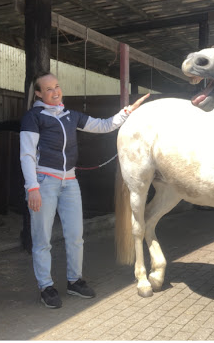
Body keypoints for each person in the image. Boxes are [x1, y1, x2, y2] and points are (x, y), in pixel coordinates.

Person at [20, 71, 149, 309]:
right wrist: (32, 188)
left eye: (57, 86)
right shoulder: (33, 117)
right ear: (38, 93)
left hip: (70, 181)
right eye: (48, 89)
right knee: (42, 239)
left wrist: (127, 112)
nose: (55, 91)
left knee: (76, 236)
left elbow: (104, 126)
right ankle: (46, 286)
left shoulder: (71, 116)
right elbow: (27, 154)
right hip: (44, 182)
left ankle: (74, 281)